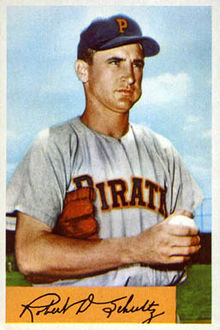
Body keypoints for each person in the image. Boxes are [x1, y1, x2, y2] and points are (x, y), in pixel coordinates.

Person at [6, 14, 203, 287]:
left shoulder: (163, 151)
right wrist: (135, 248)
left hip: (156, 313)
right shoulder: (54, 145)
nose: (130, 76)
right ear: (83, 71)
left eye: (137, 64)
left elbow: (181, 238)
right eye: (114, 62)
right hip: (80, 314)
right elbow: (30, 257)